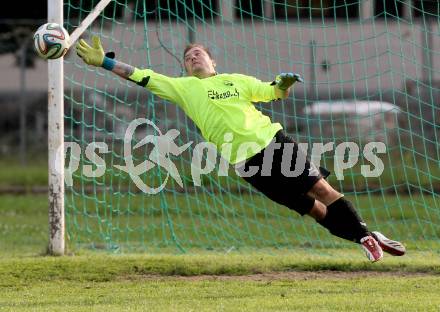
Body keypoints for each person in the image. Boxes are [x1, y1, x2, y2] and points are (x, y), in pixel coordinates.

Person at [76, 36, 406, 262]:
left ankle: (364, 237)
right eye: (188, 57)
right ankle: (365, 234)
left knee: (320, 187)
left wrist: (282, 85)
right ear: (185, 68)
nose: (193, 58)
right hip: (245, 162)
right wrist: (104, 62)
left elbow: (272, 92)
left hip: (273, 143)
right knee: (311, 208)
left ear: (212, 61)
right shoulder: (183, 88)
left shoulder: (236, 81)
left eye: (198, 54)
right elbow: (140, 76)